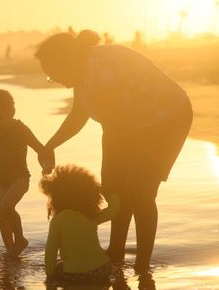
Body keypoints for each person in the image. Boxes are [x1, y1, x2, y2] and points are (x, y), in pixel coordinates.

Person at [35, 30, 193, 272]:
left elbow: (114, 126)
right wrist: (50, 145)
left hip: (167, 118)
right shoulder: (82, 72)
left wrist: (109, 173)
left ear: (64, 61)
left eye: (53, 75)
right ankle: (117, 252)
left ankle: (142, 265)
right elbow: (78, 116)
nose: (57, 82)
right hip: (138, 124)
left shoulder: (99, 68)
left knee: (140, 191)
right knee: (119, 189)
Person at [0, 89, 44, 256]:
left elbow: (39, 147)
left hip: (20, 178)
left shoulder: (20, 129)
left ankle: (20, 240)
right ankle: (11, 250)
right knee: (0, 214)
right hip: (1, 180)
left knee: (7, 207)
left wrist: (47, 164)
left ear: (11, 113)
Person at [40, 164, 119, 282]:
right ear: (89, 194)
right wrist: (108, 192)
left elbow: (51, 251)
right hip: (101, 269)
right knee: (112, 268)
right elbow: (114, 210)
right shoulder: (91, 216)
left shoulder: (58, 221)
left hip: (73, 274)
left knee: (57, 265)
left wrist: (49, 275)